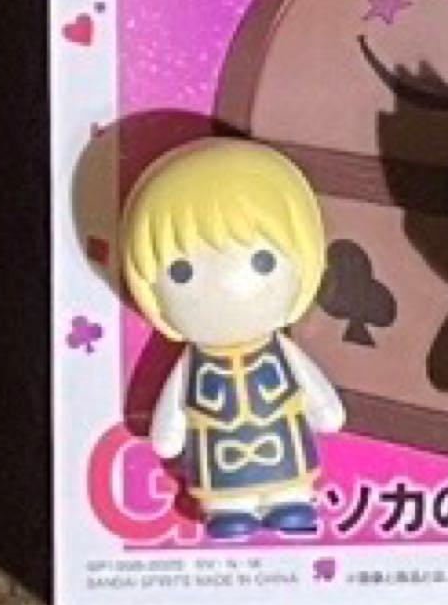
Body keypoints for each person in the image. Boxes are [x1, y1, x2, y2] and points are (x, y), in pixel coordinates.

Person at [121, 139, 345, 539]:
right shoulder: (192, 363)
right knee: (226, 497)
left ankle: (290, 501)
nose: (222, 283)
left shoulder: (281, 351)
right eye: (181, 273)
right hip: (217, 455)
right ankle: (229, 510)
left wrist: (325, 410)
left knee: (289, 486)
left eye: (263, 262)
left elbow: (313, 389)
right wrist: (169, 432)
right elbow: (174, 406)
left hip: (283, 446)